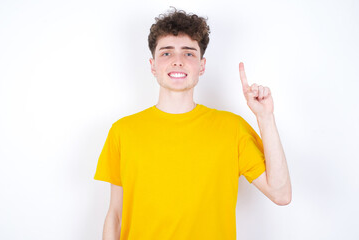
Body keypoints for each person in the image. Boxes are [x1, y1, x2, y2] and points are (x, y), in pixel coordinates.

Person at [94, 7, 291, 240]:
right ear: (152, 65)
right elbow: (115, 215)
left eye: (189, 53)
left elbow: (281, 194)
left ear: (202, 66)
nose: (178, 61)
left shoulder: (231, 128)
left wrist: (265, 117)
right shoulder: (123, 131)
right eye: (166, 53)